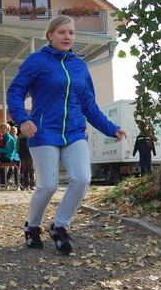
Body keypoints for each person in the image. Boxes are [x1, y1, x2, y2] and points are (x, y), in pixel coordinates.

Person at [7, 14, 127, 254]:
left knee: (82, 179)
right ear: (50, 35)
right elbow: (15, 92)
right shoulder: (36, 61)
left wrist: (110, 128)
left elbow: (88, 105)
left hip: (74, 132)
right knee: (48, 185)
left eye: (71, 33)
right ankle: (32, 227)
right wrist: (23, 119)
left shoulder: (79, 66)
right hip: (43, 132)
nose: (67, 37)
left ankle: (60, 226)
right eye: (62, 32)